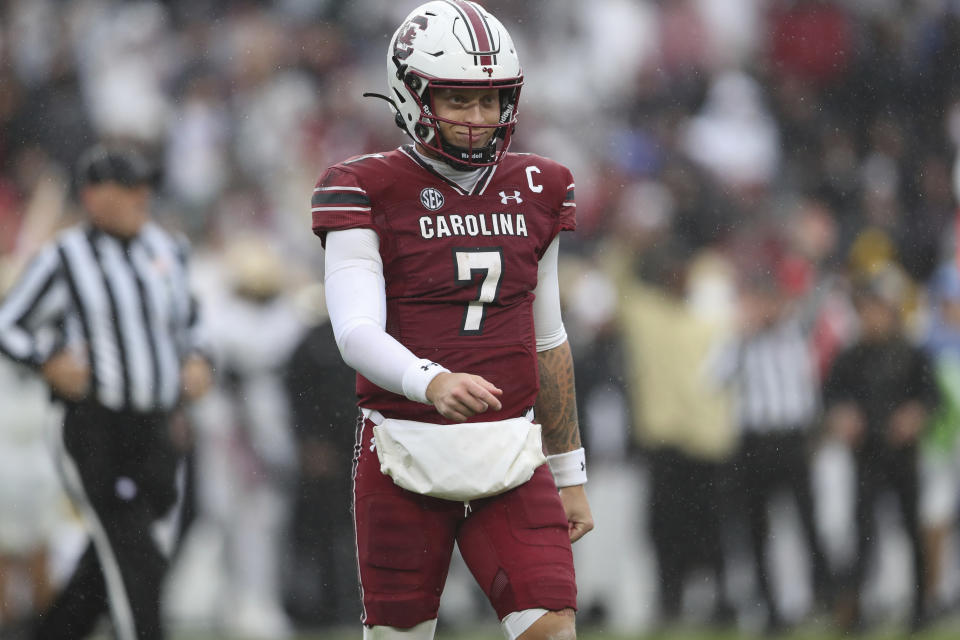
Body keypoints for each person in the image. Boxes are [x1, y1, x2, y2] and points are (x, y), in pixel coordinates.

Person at [309, 3, 594, 639]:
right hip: (404, 449)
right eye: (459, 100)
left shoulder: (540, 186)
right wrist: (429, 381)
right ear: (412, 95)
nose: (477, 120)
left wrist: (570, 470)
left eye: (491, 102)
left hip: (514, 457)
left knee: (551, 629)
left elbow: (547, 339)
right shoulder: (362, 187)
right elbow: (355, 332)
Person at [0, 143, 213, 640]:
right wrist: (47, 361)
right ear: (94, 196)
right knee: (135, 555)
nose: (144, 196)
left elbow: (194, 321)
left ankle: (55, 633)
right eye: (130, 186)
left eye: (146, 185)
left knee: (126, 549)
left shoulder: (168, 249)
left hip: (157, 426)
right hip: (95, 425)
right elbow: (8, 324)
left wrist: (200, 359)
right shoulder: (63, 257)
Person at [712, 266, 832, 633]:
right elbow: (712, 378)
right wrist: (741, 337)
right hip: (754, 444)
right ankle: (769, 607)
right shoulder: (740, 341)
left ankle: (823, 599)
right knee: (756, 529)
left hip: (792, 440)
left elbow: (808, 388)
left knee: (808, 522)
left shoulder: (794, 334)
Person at [824, 263, 936, 633]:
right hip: (867, 454)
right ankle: (853, 611)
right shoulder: (850, 356)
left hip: (903, 455)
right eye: (865, 309)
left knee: (911, 530)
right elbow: (830, 396)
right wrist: (840, 416)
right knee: (862, 534)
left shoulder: (912, 352)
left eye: (877, 308)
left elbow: (931, 396)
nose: (871, 317)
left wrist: (915, 414)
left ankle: (921, 606)